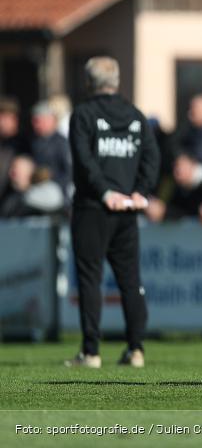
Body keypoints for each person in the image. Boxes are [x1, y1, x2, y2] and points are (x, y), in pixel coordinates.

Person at [66, 57, 160, 368]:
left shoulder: (83, 114)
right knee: (130, 281)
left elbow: (84, 160)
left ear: (88, 82)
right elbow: (152, 157)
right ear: (117, 81)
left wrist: (106, 193)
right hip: (127, 211)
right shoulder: (135, 115)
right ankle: (136, 349)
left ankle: (91, 351)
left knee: (90, 279)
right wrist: (140, 192)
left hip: (93, 207)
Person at [30, 101, 72, 192]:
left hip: (56, 191)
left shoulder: (62, 143)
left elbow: (69, 173)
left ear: (51, 120)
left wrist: (50, 178)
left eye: (38, 121)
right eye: (34, 121)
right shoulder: (32, 141)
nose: (35, 125)